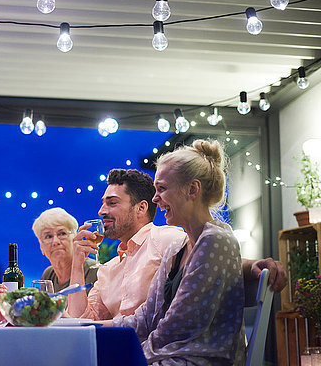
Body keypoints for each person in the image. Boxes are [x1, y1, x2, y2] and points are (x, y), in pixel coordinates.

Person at [67, 167, 287, 321]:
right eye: (102, 203)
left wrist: (252, 265)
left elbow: (208, 259)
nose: (101, 211)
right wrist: (77, 264)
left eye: (112, 203)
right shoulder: (109, 269)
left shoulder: (164, 239)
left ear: (142, 208)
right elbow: (81, 320)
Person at [110, 139, 245, 364]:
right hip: (171, 356)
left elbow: (177, 327)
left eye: (161, 188)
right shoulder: (177, 247)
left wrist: (129, 354)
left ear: (192, 189)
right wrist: (95, 328)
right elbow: (145, 317)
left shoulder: (216, 241)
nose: (154, 199)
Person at [32, 208, 98, 293]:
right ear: (41, 246)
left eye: (62, 233)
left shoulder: (93, 271)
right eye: (48, 236)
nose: (55, 242)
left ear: (75, 238)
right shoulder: (48, 274)